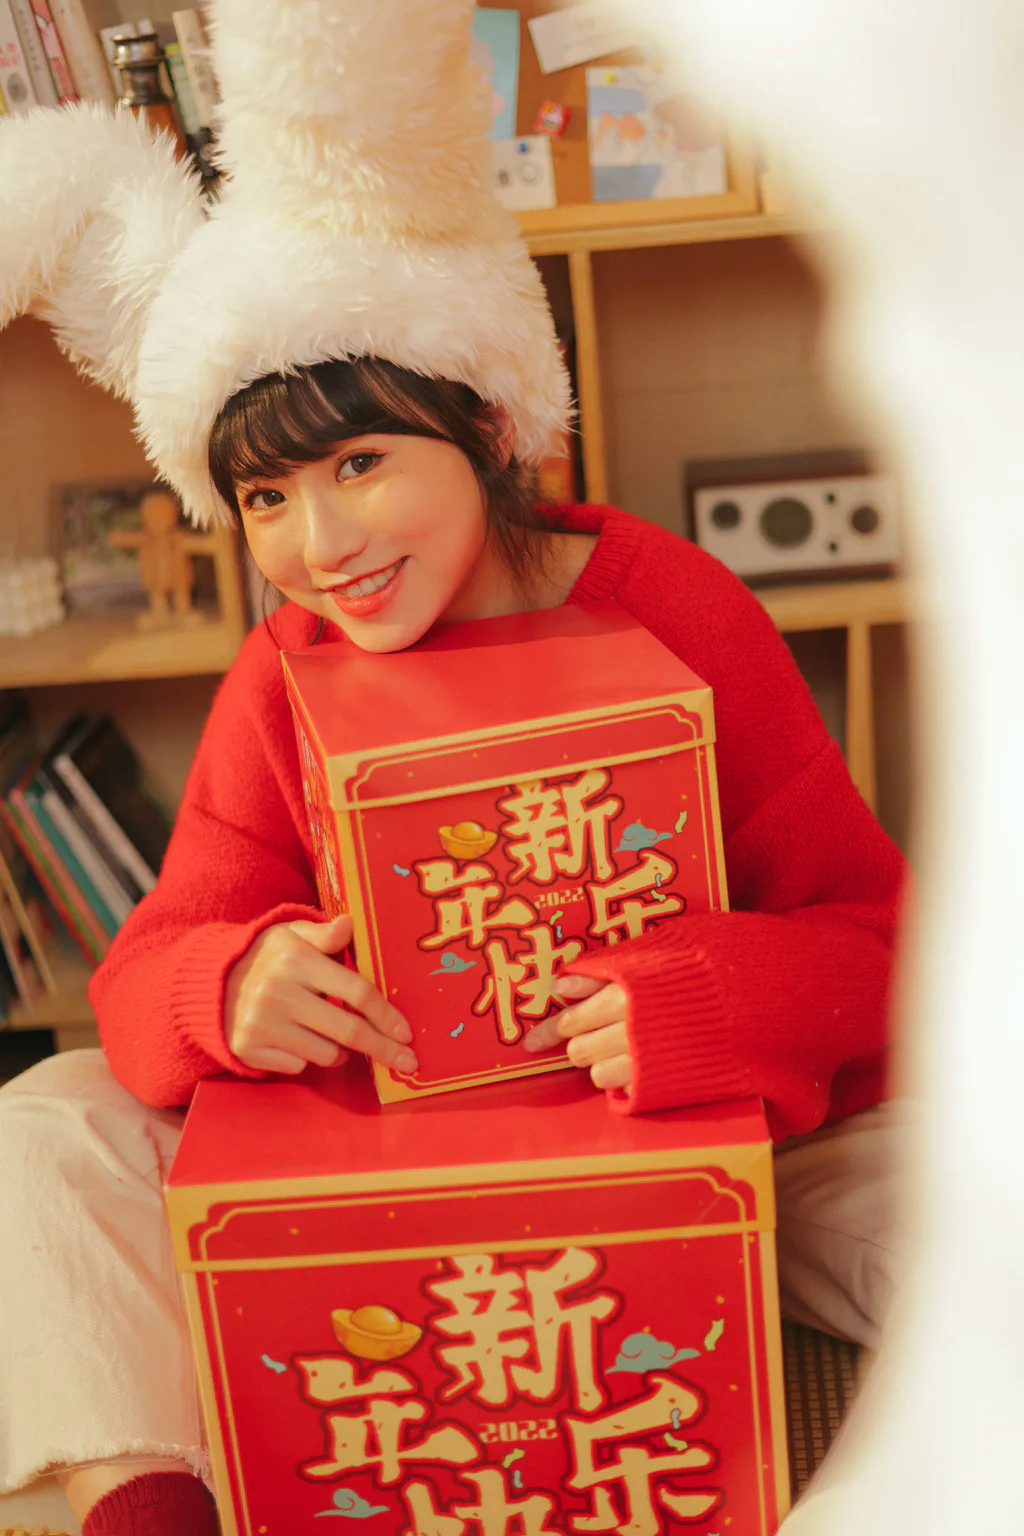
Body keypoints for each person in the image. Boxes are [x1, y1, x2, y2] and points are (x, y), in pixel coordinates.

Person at [0, 2, 907, 1533]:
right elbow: (141, 977)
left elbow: (880, 948)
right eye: (266, 497)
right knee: (46, 1123)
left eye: (360, 464)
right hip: (390, 1150)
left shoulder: (674, 606)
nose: (321, 544)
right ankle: (145, 1507)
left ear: (485, 423)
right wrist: (228, 988)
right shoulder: (285, 671)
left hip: (692, 1136)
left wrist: (705, 1005)